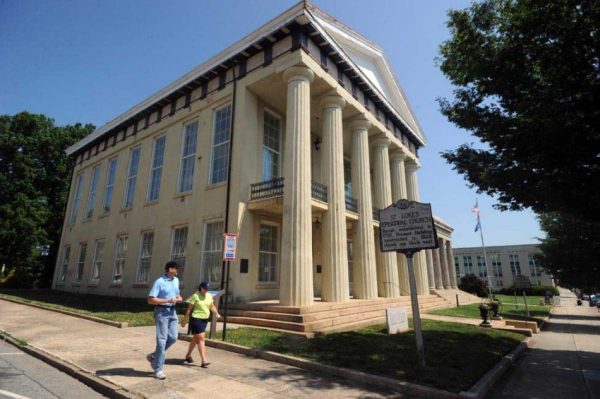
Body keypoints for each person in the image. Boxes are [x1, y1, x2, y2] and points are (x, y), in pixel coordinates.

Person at [146, 261, 183, 380]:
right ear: (170, 269)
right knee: (162, 341)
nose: (177, 270)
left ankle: (153, 356)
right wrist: (167, 300)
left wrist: (179, 298)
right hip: (161, 312)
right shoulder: (159, 282)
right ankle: (158, 370)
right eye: (176, 268)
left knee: (173, 337)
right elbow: (150, 300)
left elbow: (177, 294)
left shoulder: (176, 280)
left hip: (173, 312)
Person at [181, 282, 220, 368]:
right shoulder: (196, 296)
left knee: (195, 338)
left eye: (207, 289)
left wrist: (216, 313)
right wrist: (184, 320)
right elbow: (189, 309)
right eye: (205, 288)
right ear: (201, 288)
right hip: (196, 319)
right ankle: (203, 360)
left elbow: (212, 306)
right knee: (201, 338)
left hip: (204, 320)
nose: (206, 290)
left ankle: (188, 355)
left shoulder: (209, 296)